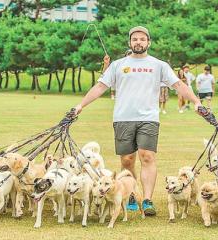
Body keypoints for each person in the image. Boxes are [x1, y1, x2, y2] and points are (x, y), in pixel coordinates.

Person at [73, 26, 201, 216]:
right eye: (135, 39)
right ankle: (132, 193)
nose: (138, 42)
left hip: (148, 118)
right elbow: (100, 87)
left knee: (147, 156)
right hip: (123, 118)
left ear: (148, 42)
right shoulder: (118, 65)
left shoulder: (159, 65)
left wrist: (197, 102)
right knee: (127, 160)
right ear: (129, 43)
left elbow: (178, 85)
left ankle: (148, 200)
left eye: (142, 39)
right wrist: (80, 105)